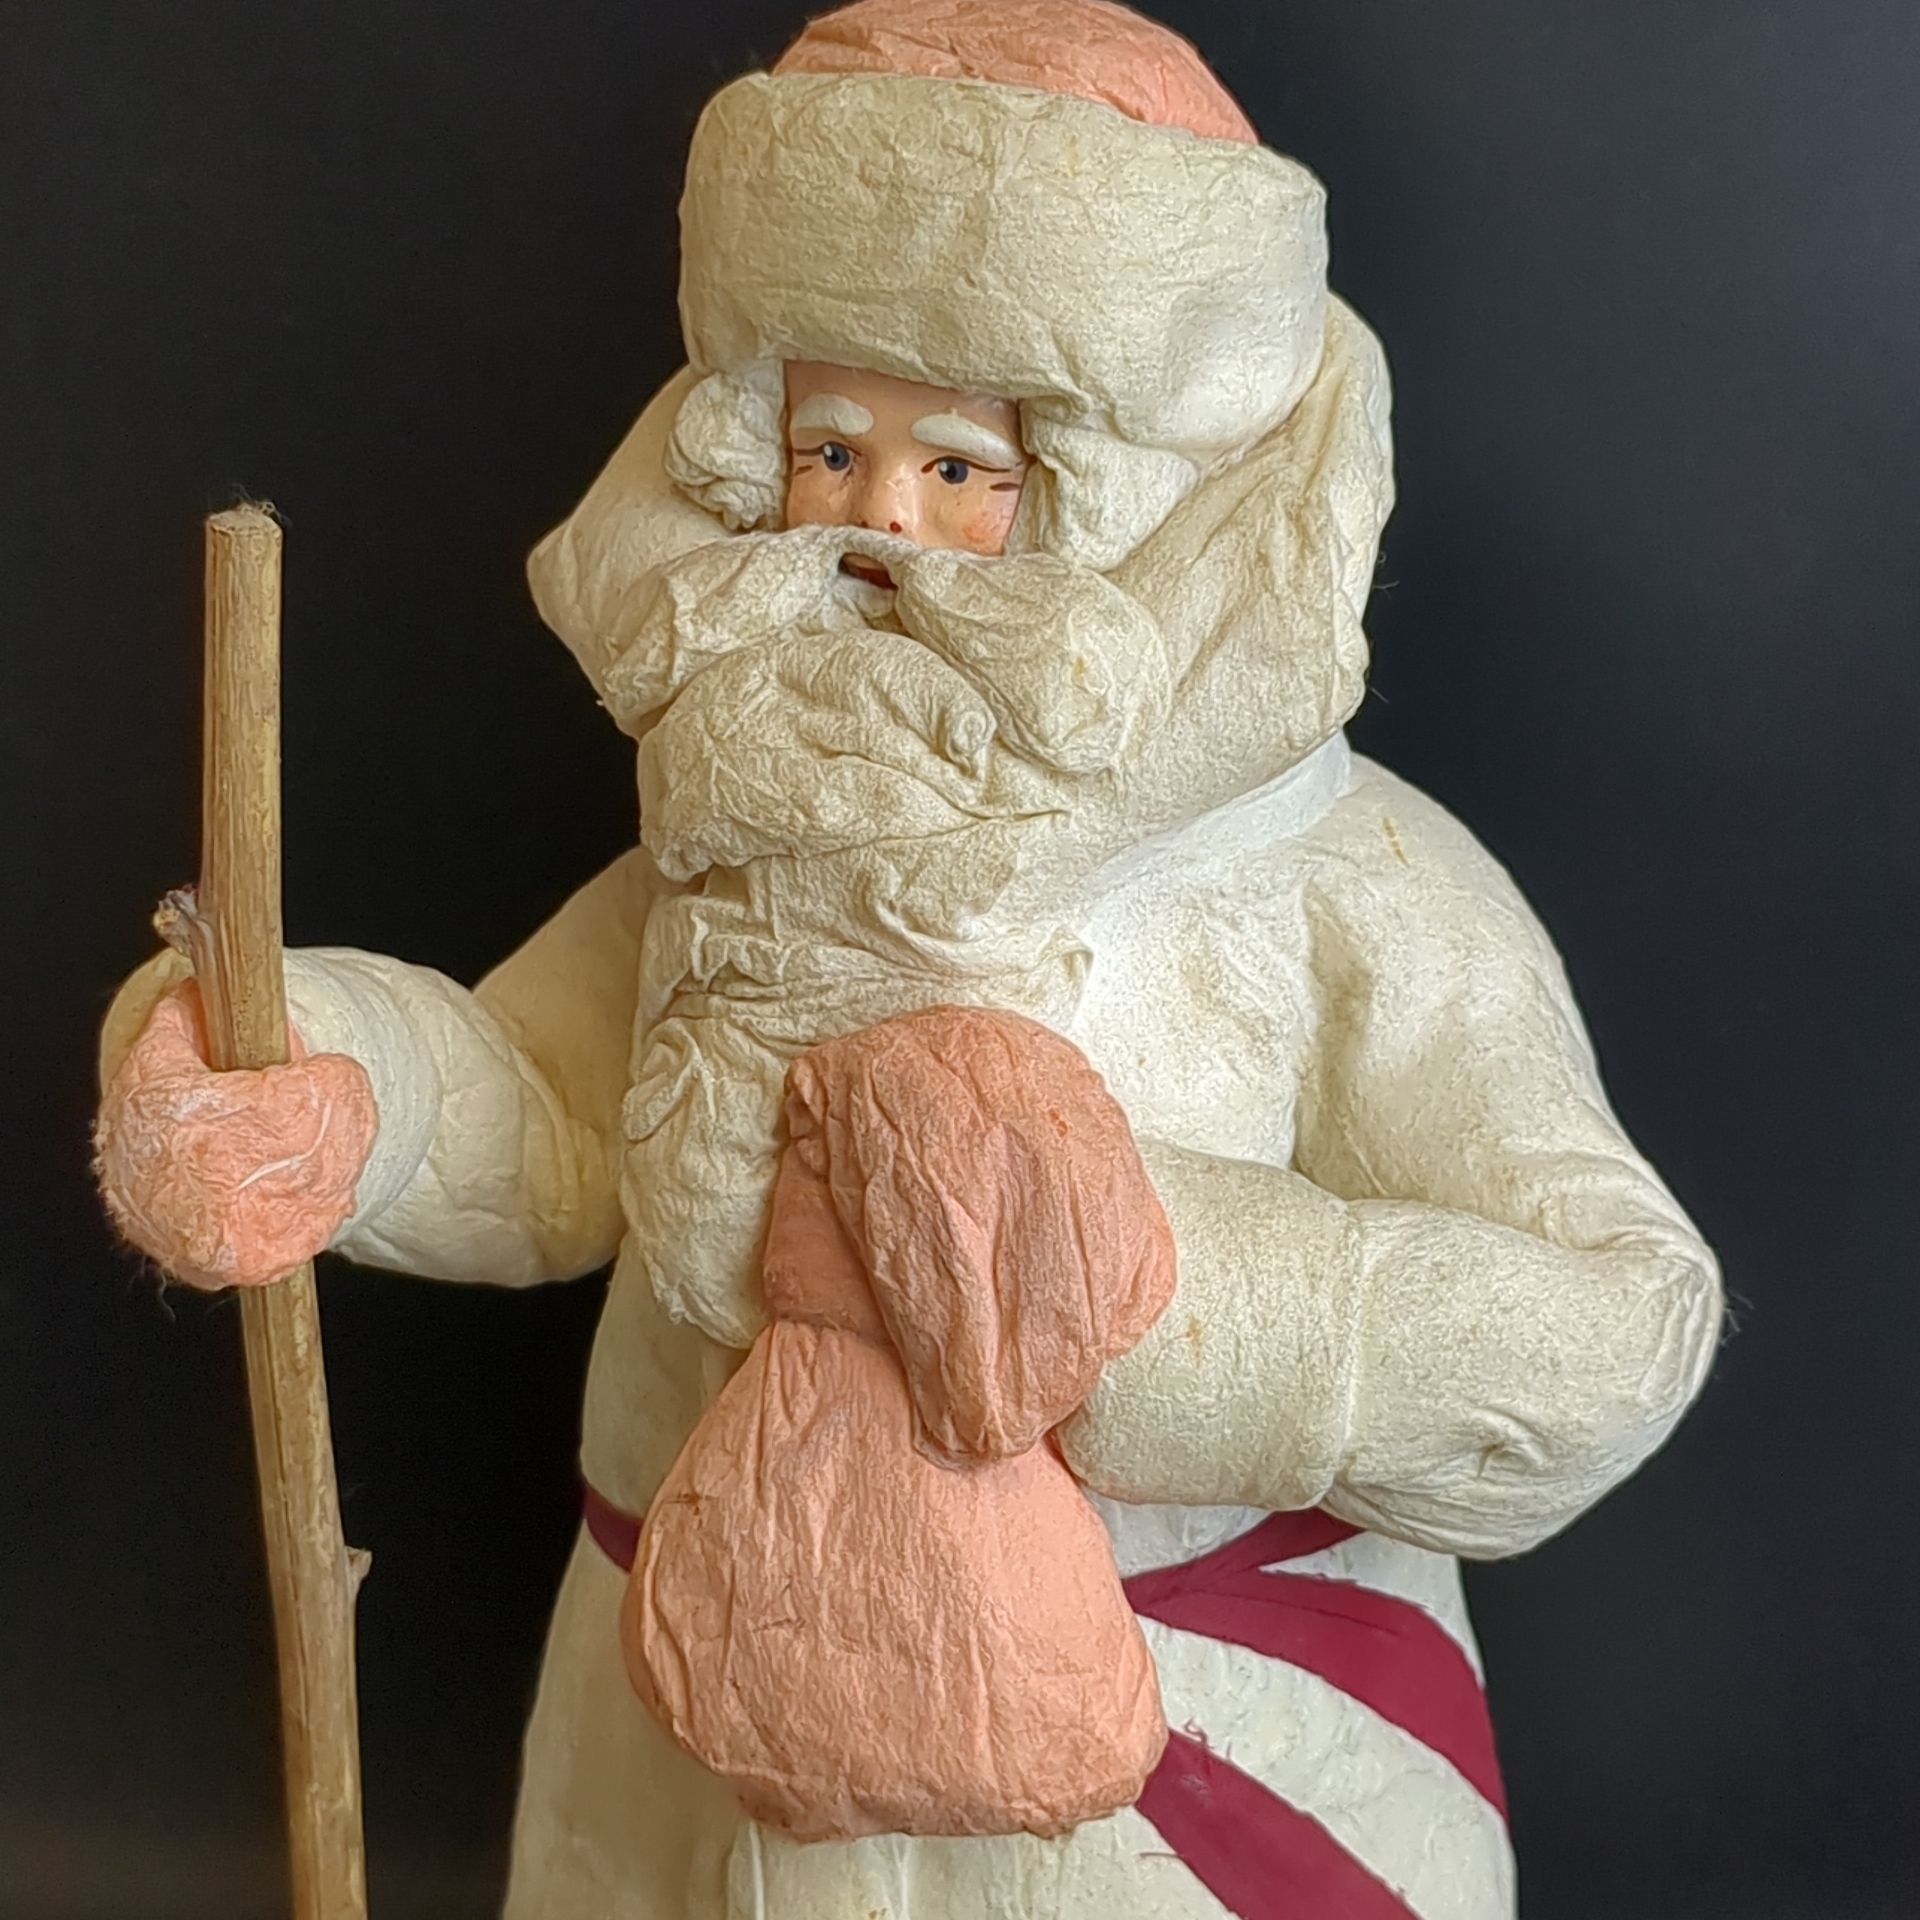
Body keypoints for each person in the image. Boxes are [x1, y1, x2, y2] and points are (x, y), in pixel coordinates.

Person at [95, 4, 1723, 1915]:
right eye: (830, 444)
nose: (882, 519)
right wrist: (330, 1087)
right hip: (684, 1755)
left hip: (1188, 1784)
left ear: (1127, 483)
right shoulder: (741, 850)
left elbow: (1614, 1327)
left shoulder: (1344, 885)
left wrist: (1147, 1295)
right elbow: (544, 1105)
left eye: (965, 466)